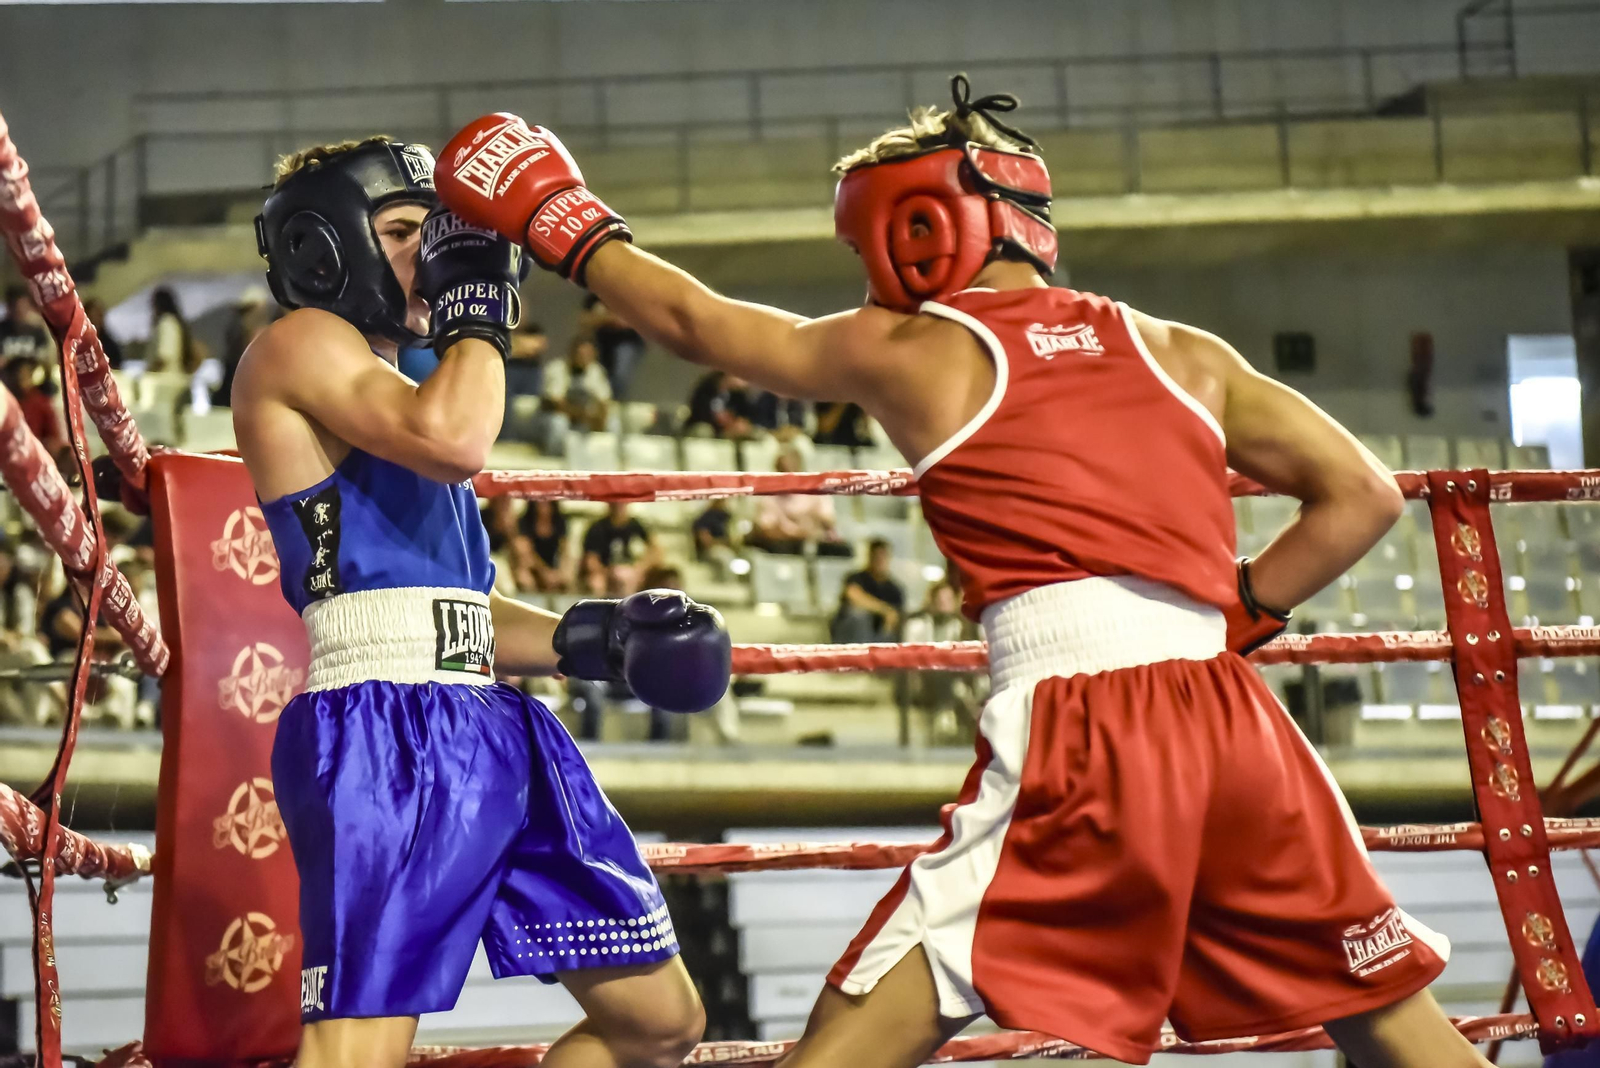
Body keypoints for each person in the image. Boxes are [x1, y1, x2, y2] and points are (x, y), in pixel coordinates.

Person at [435, 77, 1484, 1067]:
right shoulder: (1183, 350)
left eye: (867, 248)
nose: (868, 275)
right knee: (1384, 1015)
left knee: (866, 1020)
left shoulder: (920, 347)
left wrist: (563, 220)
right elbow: (1362, 495)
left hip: (1084, 733)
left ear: (920, 230)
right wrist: (1241, 606)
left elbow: (696, 325)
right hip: (1237, 724)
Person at [237, 136, 727, 1068]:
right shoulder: (301, 344)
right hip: (380, 728)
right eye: (400, 231)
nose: (430, 253)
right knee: (355, 1056)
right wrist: (478, 308)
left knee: (659, 1023)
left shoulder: (410, 382)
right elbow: (457, 440)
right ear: (323, 248)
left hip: (488, 719)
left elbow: (455, 612)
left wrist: (599, 637)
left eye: (438, 233)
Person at [747, 449, 850, 557]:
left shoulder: (817, 492)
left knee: (842, 550)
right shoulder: (767, 498)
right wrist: (799, 533)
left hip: (814, 542)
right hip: (783, 546)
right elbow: (767, 530)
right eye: (784, 471)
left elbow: (828, 521)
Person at [831, 538, 904, 643]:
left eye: (883, 556)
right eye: (876, 556)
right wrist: (885, 610)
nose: (880, 560)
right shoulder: (856, 578)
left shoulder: (894, 589)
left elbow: (896, 616)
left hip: (879, 637)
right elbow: (854, 596)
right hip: (850, 635)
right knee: (858, 614)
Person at [543, 335, 612, 440]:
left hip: (585, 417)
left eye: (588, 354)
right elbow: (556, 403)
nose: (584, 358)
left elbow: (604, 401)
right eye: (581, 354)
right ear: (572, 353)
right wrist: (581, 416)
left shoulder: (596, 370)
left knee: (612, 423)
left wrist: (599, 418)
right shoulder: (556, 368)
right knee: (559, 422)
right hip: (556, 416)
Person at [581, 502, 658, 596]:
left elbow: (655, 548)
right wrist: (606, 572)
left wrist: (642, 567)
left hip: (629, 569)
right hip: (605, 571)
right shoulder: (597, 528)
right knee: (597, 583)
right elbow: (591, 559)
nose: (619, 507)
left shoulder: (636, 525)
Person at [579, 293, 646, 398]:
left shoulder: (632, 295)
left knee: (620, 375)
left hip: (627, 341)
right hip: (601, 342)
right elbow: (584, 320)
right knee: (597, 375)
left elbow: (634, 320)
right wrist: (610, 318)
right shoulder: (596, 296)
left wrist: (603, 317)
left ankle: (613, 400)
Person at [518, 498, 572, 591]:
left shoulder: (560, 522)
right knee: (524, 578)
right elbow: (527, 555)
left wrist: (559, 573)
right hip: (534, 569)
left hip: (554, 568)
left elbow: (564, 552)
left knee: (567, 576)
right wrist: (544, 573)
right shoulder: (525, 522)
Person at [684, 369, 756, 439]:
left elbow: (745, 414)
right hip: (708, 429)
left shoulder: (738, 395)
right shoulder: (707, 390)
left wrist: (738, 423)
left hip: (729, 431)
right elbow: (700, 412)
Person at [0, 284, 52, 363]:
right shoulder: (2, 330)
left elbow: (48, 358)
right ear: (9, 307)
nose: (20, 311)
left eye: (23, 306)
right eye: (16, 307)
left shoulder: (38, 331)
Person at [83, 298, 124, 370]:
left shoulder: (111, 346)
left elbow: (116, 369)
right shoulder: (75, 342)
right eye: (95, 314)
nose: (98, 318)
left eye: (100, 314)